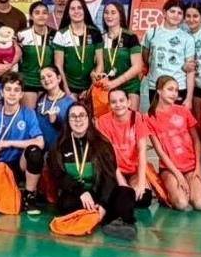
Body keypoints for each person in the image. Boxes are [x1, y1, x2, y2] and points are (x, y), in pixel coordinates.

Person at [48, 102, 138, 240]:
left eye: (82, 115)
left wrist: (103, 203)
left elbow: (109, 177)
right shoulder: (59, 146)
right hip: (77, 195)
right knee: (66, 204)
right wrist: (80, 191)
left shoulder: (103, 144)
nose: (78, 120)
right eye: (73, 116)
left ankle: (120, 222)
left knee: (126, 192)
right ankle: (107, 218)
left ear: (89, 118)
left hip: (99, 193)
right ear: (68, 121)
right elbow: (59, 176)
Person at [0, 74, 45, 214]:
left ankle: (29, 196)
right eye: (8, 89)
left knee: (35, 152)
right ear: (2, 92)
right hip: (2, 165)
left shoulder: (28, 114)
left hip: (21, 164)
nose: (12, 93)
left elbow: (40, 142)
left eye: (16, 90)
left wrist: (9, 143)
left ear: (21, 94)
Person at [147, 75, 201, 211]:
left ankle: (190, 185)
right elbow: (160, 152)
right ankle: (166, 187)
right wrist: (178, 176)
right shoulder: (150, 117)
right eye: (170, 89)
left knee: (200, 203)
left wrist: (198, 168)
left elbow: (197, 141)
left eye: (176, 90)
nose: (174, 93)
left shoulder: (184, 111)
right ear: (159, 91)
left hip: (191, 167)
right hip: (170, 169)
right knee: (181, 203)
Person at [97, 89, 151, 207]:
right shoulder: (103, 121)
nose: (118, 105)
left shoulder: (137, 118)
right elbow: (108, 155)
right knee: (120, 197)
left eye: (122, 100)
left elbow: (142, 151)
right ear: (109, 105)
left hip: (133, 170)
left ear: (128, 102)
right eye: (113, 102)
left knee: (144, 199)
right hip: (113, 170)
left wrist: (141, 183)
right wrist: (122, 183)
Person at [142, 0, 195, 110]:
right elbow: (146, 57)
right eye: (172, 11)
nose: (176, 15)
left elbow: (190, 70)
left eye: (179, 13)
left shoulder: (187, 38)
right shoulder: (151, 33)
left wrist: (189, 99)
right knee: (156, 122)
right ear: (164, 12)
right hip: (155, 86)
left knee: (176, 124)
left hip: (178, 87)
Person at [53, 0, 105, 99]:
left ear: (84, 10)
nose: (76, 11)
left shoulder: (95, 32)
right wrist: (67, 91)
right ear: (68, 13)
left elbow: (100, 63)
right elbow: (58, 65)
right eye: (72, 9)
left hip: (90, 87)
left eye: (79, 8)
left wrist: (91, 89)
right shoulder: (61, 34)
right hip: (69, 88)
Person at [99, 2, 143, 111]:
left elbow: (137, 66)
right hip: (108, 87)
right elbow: (98, 65)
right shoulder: (101, 39)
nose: (109, 16)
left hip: (130, 86)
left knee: (131, 121)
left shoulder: (130, 37)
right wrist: (95, 75)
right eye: (106, 13)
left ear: (121, 15)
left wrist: (116, 83)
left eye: (113, 13)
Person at [18, 1, 55, 110]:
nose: (41, 15)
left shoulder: (56, 35)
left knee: (45, 118)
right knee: (30, 116)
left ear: (48, 15)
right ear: (31, 16)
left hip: (48, 82)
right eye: (37, 13)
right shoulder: (21, 35)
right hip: (28, 81)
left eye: (44, 12)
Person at [34, 66, 71, 150]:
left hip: (59, 149)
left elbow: (71, 130)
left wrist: (56, 122)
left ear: (59, 78)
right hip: (42, 149)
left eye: (49, 76)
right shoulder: (41, 99)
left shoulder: (69, 102)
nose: (46, 80)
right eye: (42, 78)